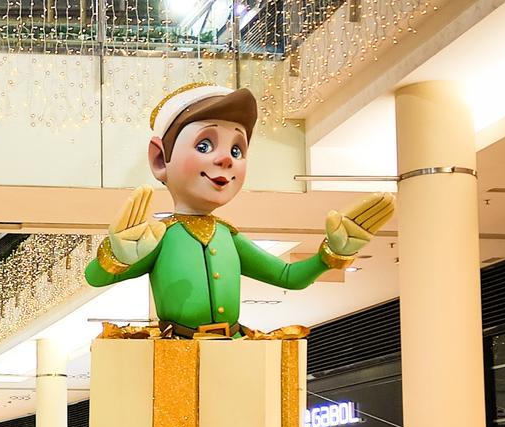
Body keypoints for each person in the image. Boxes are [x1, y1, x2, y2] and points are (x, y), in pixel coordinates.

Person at [85, 84, 394, 337]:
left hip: (235, 348)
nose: (225, 160)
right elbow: (95, 278)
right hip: (176, 354)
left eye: (237, 150)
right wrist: (116, 256)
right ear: (159, 159)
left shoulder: (228, 236)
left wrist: (330, 255)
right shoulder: (161, 238)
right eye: (204, 145)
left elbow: (289, 276)